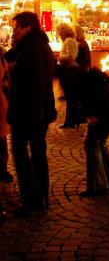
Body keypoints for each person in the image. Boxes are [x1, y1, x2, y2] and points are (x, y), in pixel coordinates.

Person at [4, 11, 56, 217]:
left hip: (29, 111)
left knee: (20, 152)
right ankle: (41, 197)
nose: (13, 31)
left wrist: (10, 80)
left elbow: (32, 82)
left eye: (16, 27)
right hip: (39, 110)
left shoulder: (31, 49)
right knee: (37, 153)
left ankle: (32, 199)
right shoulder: (36, 46)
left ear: (28, 27)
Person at [78, 68, 109, 197]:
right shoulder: (98, 78)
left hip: (103, 116)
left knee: (92, 146)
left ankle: (98, 186)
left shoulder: (82, 81)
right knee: (99, 145)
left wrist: (89, 114)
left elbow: (88, 98)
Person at [57, 23, 81, 129]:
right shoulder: (72, 40)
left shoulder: (68, 41)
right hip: (72, 70)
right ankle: (73, 120)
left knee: (71, 97)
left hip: (70, 70)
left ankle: (71, 121)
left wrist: (60, 57)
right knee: (72, 97)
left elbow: (70, 56)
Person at [0, 47, 12, 183]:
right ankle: (3, 169)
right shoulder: (2, 56)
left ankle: (2, 169)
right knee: (2, 139)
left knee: (1, 139)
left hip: (1, 101)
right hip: (2, 100)